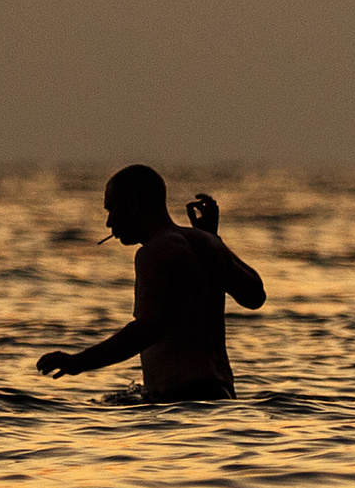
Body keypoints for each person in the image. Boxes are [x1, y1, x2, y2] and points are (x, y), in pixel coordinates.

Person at [38, 165, 266, 401]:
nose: (108, 222)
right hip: (223, 397)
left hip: (183, 400)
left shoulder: (154, 251)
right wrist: (214, 237)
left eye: (111, 209)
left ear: (133, 206)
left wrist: (78, 362)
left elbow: (148, 329)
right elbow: (255, 296)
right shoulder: (208, 242)